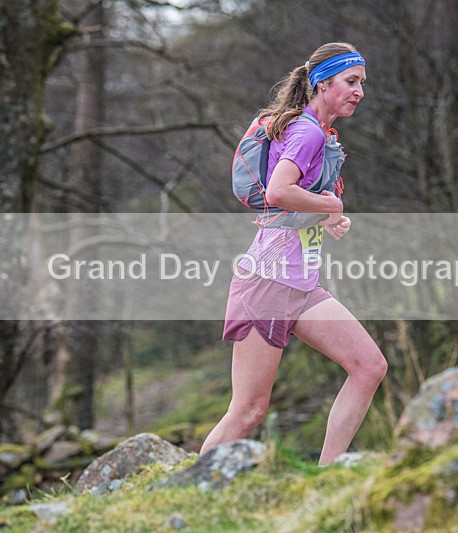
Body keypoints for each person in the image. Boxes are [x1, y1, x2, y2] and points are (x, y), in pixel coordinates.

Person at [200, 42, 388, 465]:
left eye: (362, 84)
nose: (360, 92)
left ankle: (327, 477)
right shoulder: (307, 131)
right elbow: (279, 191)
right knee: (248, 411)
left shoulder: (316, 132)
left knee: (369, 367)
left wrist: (325, 218)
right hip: (267, 283)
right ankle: (185, 493)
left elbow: (288, 206)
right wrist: (333, 206)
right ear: (322, 83)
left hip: (300, 286)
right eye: (351, 82)